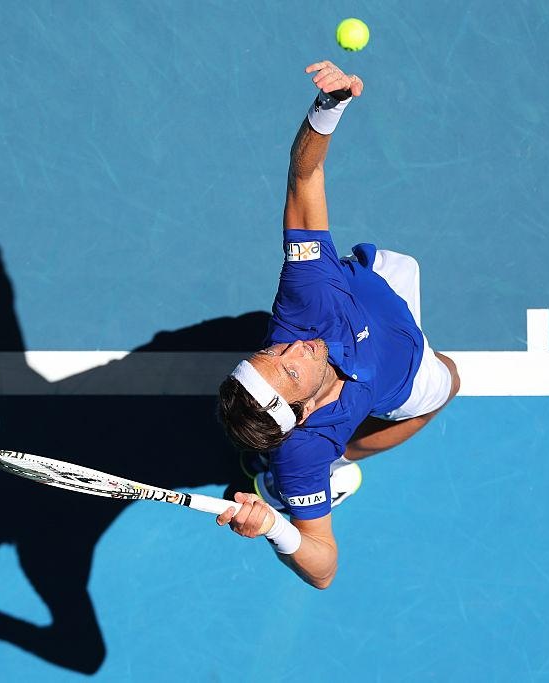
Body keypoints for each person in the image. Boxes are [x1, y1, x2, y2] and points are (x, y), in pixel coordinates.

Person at [215, 59, 461, 589]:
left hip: (379, 290)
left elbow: (303, 173)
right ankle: (329, 465)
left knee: (404, 263)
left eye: (272, 352)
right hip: (405, 373)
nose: (295, 347)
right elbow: (323, 569)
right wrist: (279, 528)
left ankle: (282, 468)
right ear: (302, 412)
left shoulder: (304, 298)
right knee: (450, 382)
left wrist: (329, 105)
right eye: (291, 368)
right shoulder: (304, 449)